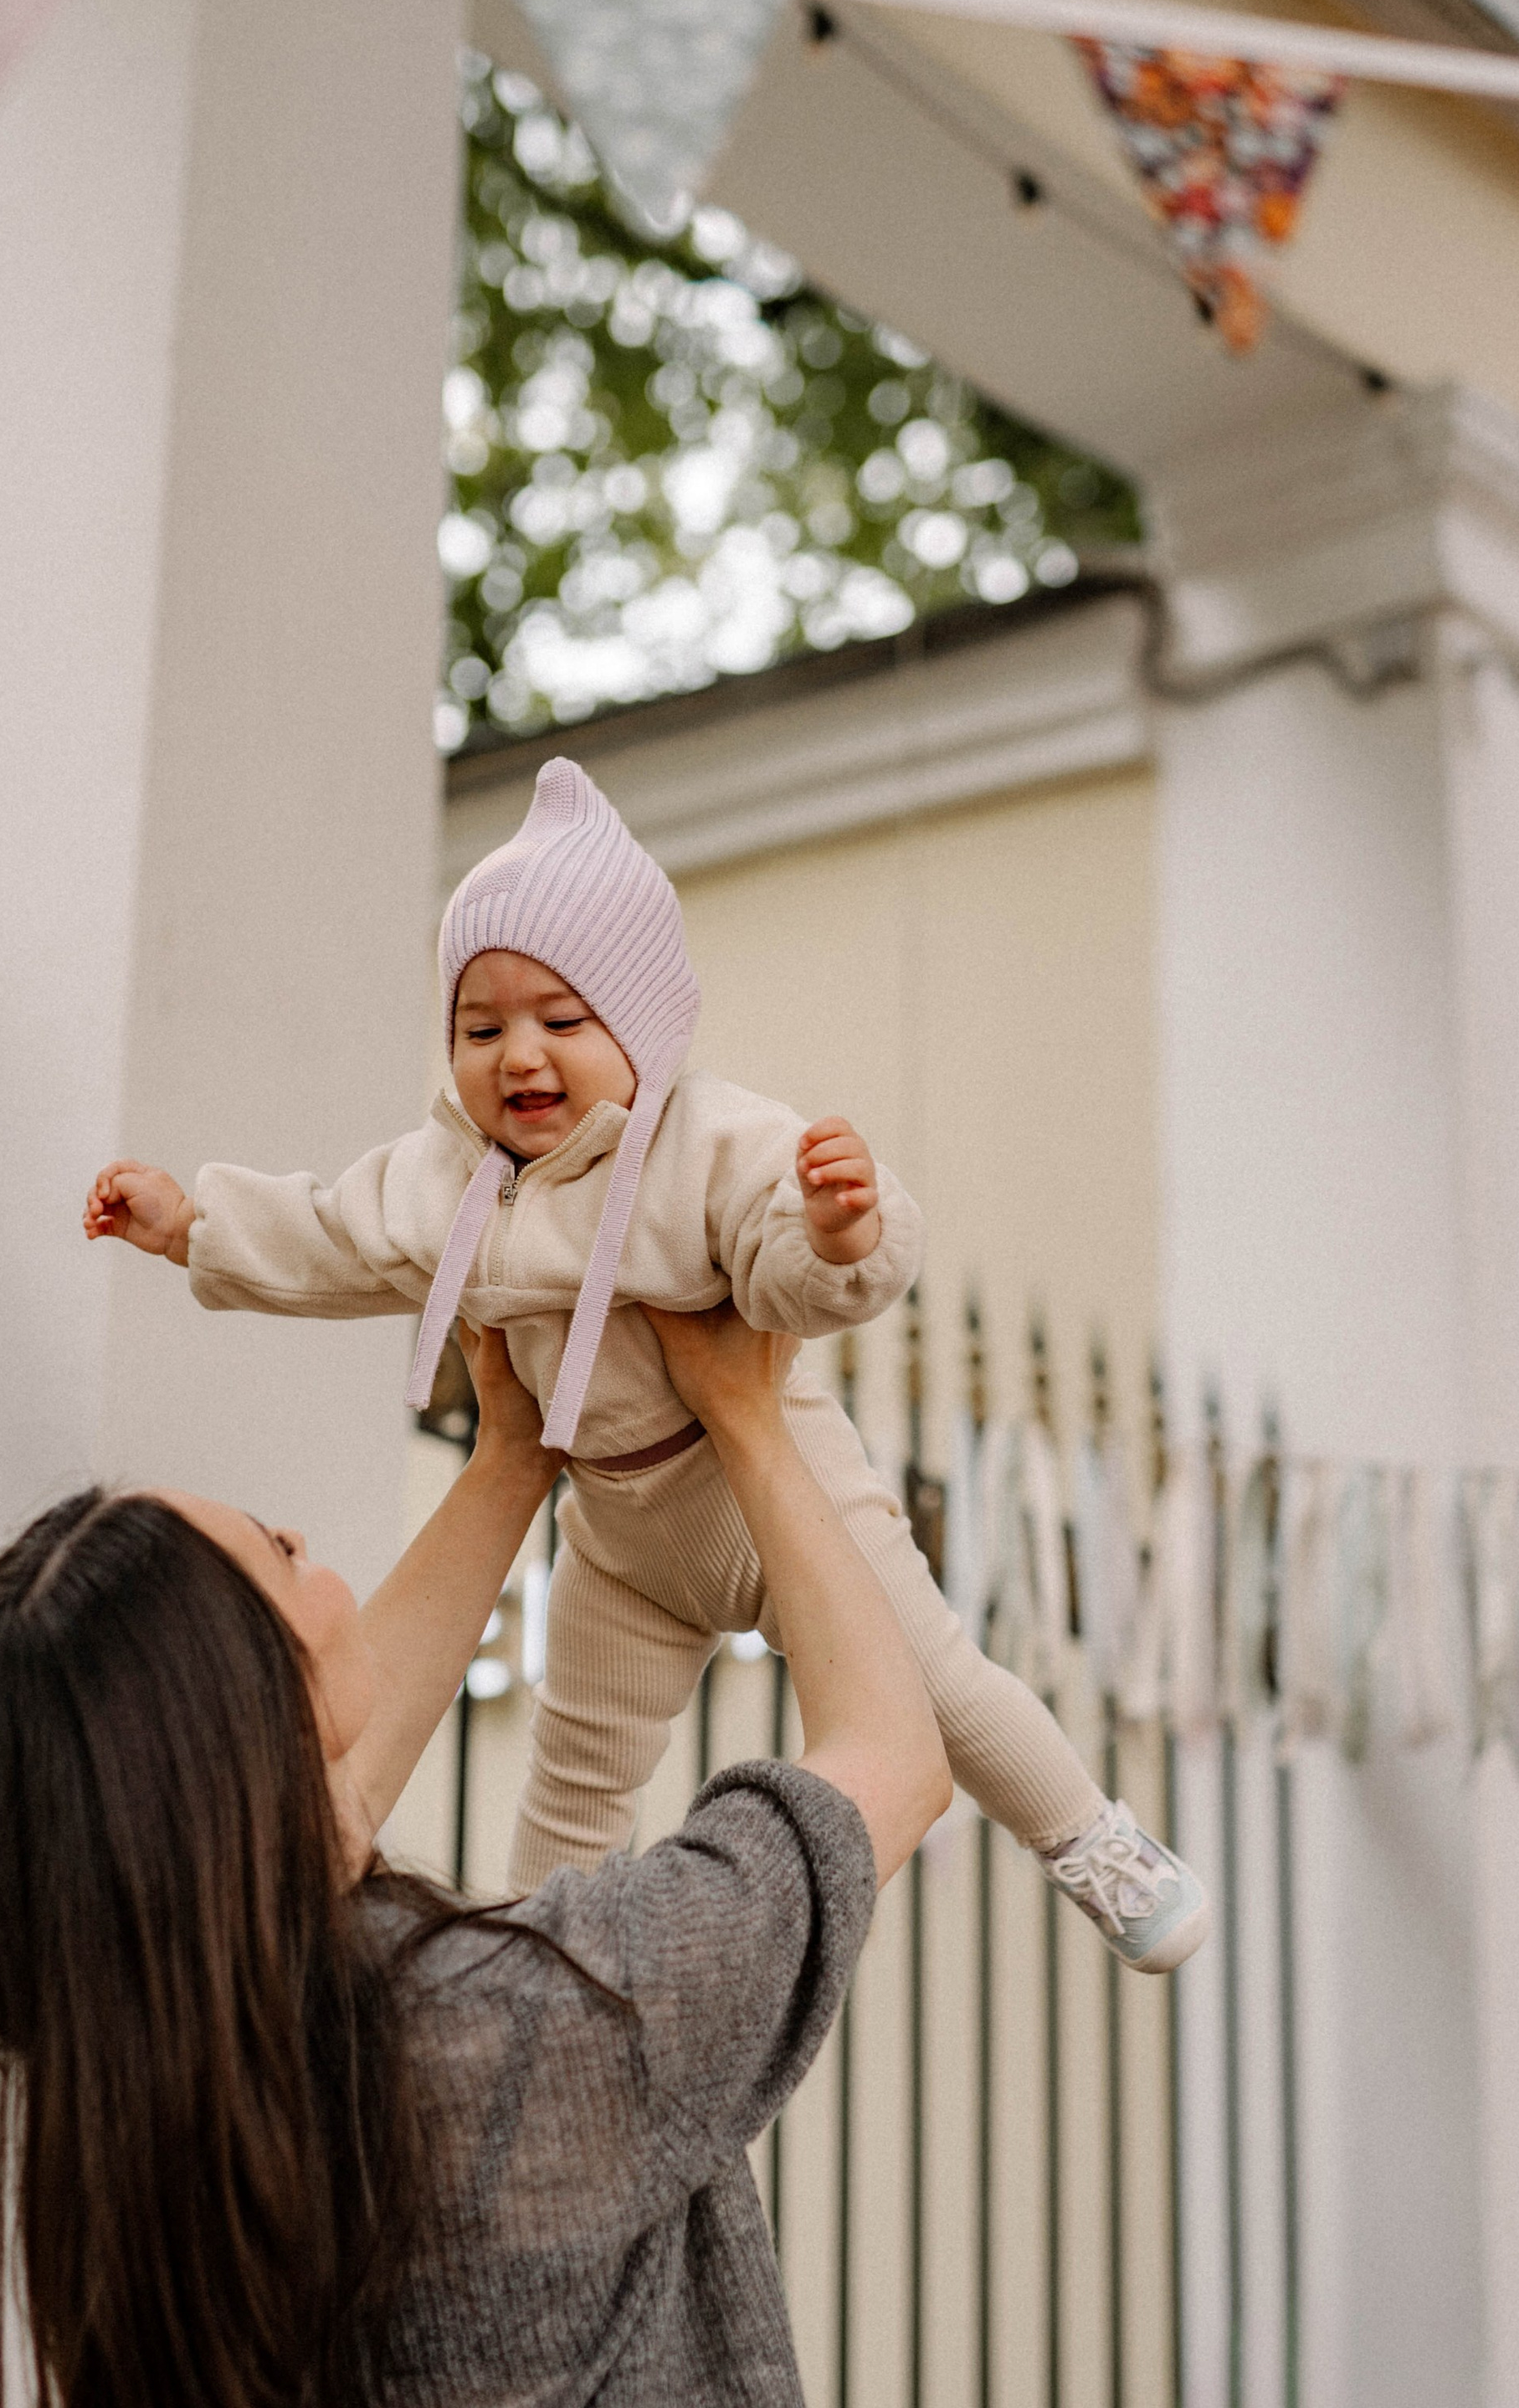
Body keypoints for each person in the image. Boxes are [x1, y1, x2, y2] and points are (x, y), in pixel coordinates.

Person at [0, 1302, 948, 2408]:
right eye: (284, 1550)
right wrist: (751, 1415)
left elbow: (292, 1816)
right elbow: (893, 1754)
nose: (318, 1546)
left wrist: (517, 1457)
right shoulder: (546, 2023)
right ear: (249, 1711)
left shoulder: (111, 2032)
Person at [84, 756, 1203, 1971]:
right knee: (576, 1761)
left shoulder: (708, 1142)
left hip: (774, 1490)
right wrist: (193, 1225)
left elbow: (791, 1280)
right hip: (620, 1526)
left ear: (647, 1024)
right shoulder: (446, 1181)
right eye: (481, 1026)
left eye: (563, 1022)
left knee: (935, 1682)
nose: (520, 1056)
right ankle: (533, 1964)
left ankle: (1092, 1841)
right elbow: (333, 1239)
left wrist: (838, 1229)